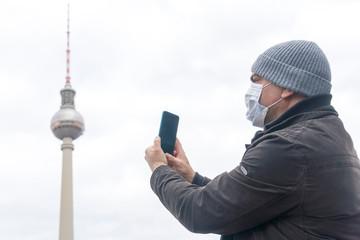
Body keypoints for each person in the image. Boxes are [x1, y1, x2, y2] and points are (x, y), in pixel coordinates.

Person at [144, 40, 360, 240]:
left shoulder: (288, 147)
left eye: (257, 81)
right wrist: (191, 177)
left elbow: (201, 213)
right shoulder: (327, 135)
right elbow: (249, 201)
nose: (251, 92)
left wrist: (159, 169)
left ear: (287, 87)